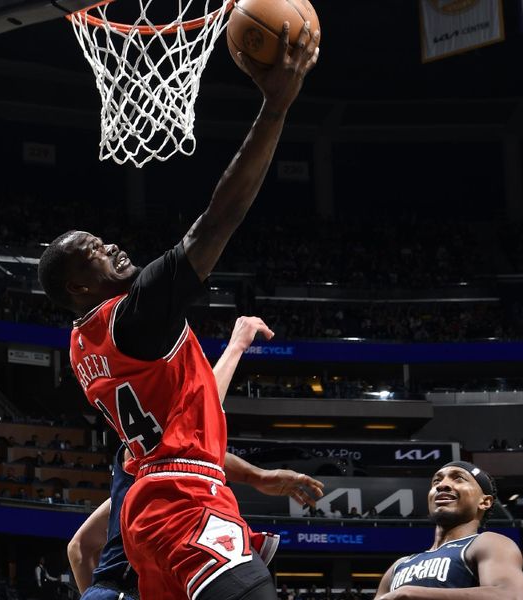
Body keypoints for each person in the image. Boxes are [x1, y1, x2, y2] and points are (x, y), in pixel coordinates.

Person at [38, 20, 319, 600]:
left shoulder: (83, 345)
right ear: (76, 288)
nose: (112, 247)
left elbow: (191, 412)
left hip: (152, 512)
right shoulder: (134, 316)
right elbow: (218, 219)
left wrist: (236, 346)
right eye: (93, 252)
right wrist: (275, 108)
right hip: (181, 506)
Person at [67, 317, 325, 600]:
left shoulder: (135, 478)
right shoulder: (155, 452)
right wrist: (237, 345)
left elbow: (78, 548)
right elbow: (203, 410)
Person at [374, 461, 523, 600]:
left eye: (459, 478)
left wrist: (411, 593)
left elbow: (511, 596)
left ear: (485, 502)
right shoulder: (400, 565)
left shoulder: (488, 543)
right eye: (437, 480)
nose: (442, 485)